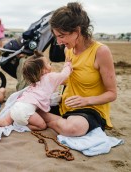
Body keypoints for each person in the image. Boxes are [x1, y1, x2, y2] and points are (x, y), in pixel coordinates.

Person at [41, 2, 117, 137]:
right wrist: (50, 76)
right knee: (27, 103)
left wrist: (86, 100)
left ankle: (49, 121)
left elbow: (112, 94)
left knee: (73, 128)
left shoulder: (100, 52)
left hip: (90, 109)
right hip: (66, 104)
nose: (58, 42)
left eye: (61, 36)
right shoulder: (68, 50)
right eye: (56, 36)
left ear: (77, 31)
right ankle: (57, 121)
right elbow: (70, 79)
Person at [0, 51, 72, 130]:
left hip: (16, 106)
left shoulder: (34, 82)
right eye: (48, 63)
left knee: (4, 122)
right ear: (43, 70)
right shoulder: (50, 77)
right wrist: (67, 64)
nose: (50, 64)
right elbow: (64, 75)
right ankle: (19, 126)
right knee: (42, 126)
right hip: (25, 110)